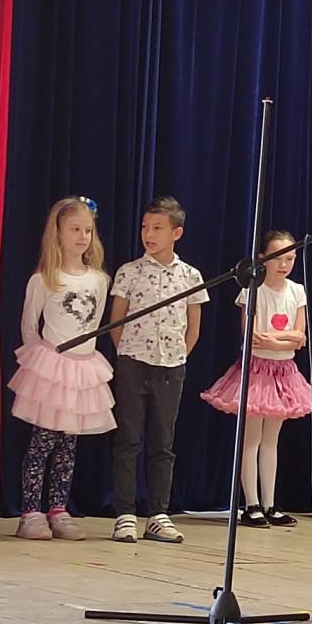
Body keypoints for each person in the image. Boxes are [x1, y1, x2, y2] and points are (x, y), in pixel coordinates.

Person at [10, 196, 116, 541]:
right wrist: (42, 364)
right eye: (75, 229)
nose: (83, 236)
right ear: (58, 233)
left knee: (68, 445)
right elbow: (29, 327)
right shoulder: (45, 279)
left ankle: (58, 509)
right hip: (52, 369)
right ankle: (30, 512)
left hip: (83, 370)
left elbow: (95, 324)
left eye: (88, 230)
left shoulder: (99, 280)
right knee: (42, 442)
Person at [201, 230, 312, 527]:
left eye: (290, 258)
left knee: (271, 440)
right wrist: (284, 338)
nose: (284, 264)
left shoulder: (297, 291)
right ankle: (251, 503)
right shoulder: (253, 290)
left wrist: (277, 339)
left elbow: (300, 336)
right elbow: (252, 336)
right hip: (257, 370)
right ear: (262, 258)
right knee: (252, 439)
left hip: (284, 371)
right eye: (278, 258)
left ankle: (269, 503)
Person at [108, 196, 209, 543]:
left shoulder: (190, 276)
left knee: (162, 443)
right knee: (128, 439)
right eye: (145, 227)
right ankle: (124, 513)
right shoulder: (129, 272)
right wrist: (128, 354)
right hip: (133, 364)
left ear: (176, 233)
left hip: (171, 367)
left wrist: (178, 356)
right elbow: (117, 321)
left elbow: (193, 327)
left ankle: (158, 514)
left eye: (157, 228)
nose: (148, 234)